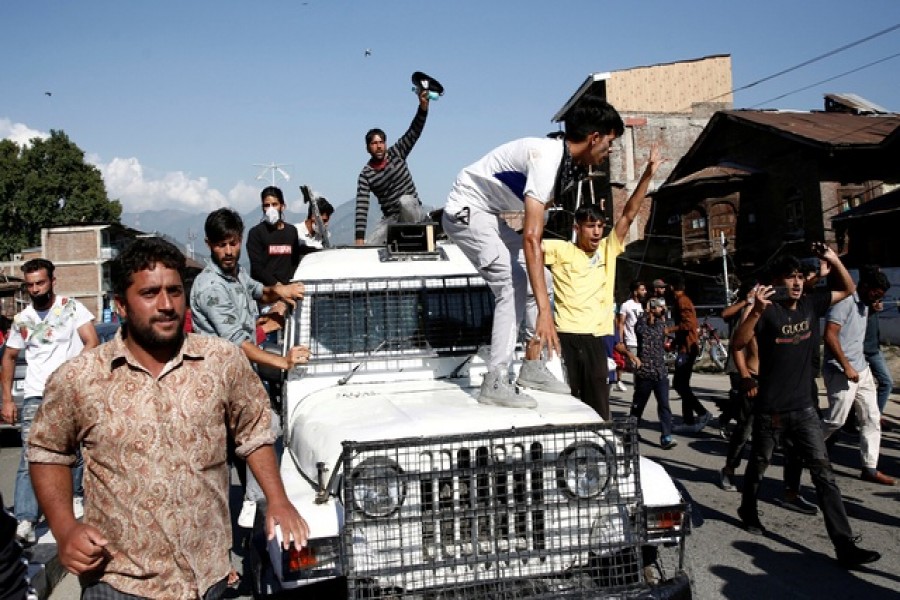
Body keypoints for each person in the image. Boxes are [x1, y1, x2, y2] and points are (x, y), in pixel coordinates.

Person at [25, 237, 309, 598]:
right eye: (149, 293)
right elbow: (48, 452)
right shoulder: (79, 378)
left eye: (174, 291)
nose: (166, 305)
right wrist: (65, 530)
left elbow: (254, 431)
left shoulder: (222, 362)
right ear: (121, 305)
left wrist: (277, 500)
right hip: (118, 579)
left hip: (206, 578)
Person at [442, 95, 625, 408]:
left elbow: (535, 231)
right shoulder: (548, 158)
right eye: (609, 143)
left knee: (541, 281)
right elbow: (531, 238)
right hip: (466, 210)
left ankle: (531, 365)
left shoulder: (567, 167)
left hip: (487, 213)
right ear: (594, 138)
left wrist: (541, 300)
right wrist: (544, 312)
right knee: (512, 282)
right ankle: (496, 379)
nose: (609, 152)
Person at [734, 247, 880, 568]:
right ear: (776, 281)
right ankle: (747, 508)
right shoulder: (766, 310)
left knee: (824, 475)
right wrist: (756, 310)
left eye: (800, 276)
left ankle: (844, 546)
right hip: (771, 410)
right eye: (791, 277)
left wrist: (836, 259)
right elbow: (738, 344)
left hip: (804, 410)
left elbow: (849, 289)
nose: (797, 282)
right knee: (759, 465)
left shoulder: (812, 304)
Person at [191, 208, 311, 529]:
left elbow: (259, 291)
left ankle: (255, 505)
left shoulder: (237, 274)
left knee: (263, 434)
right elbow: (239, 344)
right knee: (264, 430)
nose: (228, 251)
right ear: (209, 245)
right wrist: (284, 362)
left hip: (243, 379)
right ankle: (250, 503)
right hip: (219, 384)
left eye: (233, 243)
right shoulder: (211, 287)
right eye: (221, 245)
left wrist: (282, 291)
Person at [541, 148, 660, 419]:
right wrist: (541, 206)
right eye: (590, 226)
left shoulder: (608, 249)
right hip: (565, 337)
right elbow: (528, 243)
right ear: (577, 228)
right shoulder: (560, 250)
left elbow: (629, 214)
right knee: (568, 404)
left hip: (596, 339)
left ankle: (598, 452)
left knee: (598, 406)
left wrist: (648, 175)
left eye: (600, 226)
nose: (596, 231)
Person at [0, 258, 99, 546]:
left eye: (40, 283)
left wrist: (70, 372)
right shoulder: (22, 320)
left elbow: (91, 340)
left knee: (73, 449)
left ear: (52, 281)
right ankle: (26, 519)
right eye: (30, 285)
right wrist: (7, 399)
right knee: (30, 454)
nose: (35, 289)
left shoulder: (72, 308)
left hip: (69, 393)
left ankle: (75, 496)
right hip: (34, 394)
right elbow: (9, 358)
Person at [821, 266, 894, 485]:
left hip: (861, 370)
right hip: (841, 370)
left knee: (871, 418)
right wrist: (847, 366)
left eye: (881, 295)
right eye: (876, 293)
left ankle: (870, 467)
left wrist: (873, 308)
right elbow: (830, 335)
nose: (878, 298)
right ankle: (805, 449)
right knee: (835, 420)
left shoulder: (865, 304)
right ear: (864, 287)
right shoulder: (843, 302)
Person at [355, 89, 432, 245]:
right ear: (368, 148)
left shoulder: (397, 153)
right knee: (371, 245)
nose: (378, 146)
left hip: (413, 209)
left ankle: (417, 228)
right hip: (392, 218)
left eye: (381, 142)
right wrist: (359, 239)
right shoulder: (366, 174)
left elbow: (414, 131)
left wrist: (423, 106)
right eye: (374, 143)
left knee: (405, 201)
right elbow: (362, 207)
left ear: (386, 144)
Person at [617, 296, 677, 449]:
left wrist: (664, 313)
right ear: (651, 308)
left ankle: (666, 436)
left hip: (660, 371)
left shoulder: (663, 322)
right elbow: (642, 329)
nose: (661, 309)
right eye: (658, 307)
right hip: (645, 371)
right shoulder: (642, 322)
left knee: (664, 404)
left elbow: (670, 328)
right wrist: (648, 312)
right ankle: (630, 433)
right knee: (638, 405)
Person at [669, 275, 712, 431]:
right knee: (683, 385)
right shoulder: (682, 300)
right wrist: (675, 341)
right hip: (684, 346)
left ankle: (702, 412)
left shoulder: (682, 301)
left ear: (672, 288)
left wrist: (669, 330)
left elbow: (688, 324)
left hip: (687, 349)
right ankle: (688, 421)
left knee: (679, 384)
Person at [246, 186, 302, 286]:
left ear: (282, 206)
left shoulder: (291, 231)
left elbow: (295, 261)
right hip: (266, 293)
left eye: (274, 204)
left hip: (289, 290)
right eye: (267, 205)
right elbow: (257, 268)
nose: (270, 209)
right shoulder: (256, 233)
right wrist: (277, 286)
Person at [859, 266, 893, 427]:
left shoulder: (873, 299)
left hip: (873, 349)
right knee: (856, 390)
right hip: (859, 351)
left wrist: (875, 309)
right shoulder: (856, 299)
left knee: (886, 382)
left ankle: (874, 417)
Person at [617, 279, 647, 383]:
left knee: (642, 368)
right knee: (636, 367)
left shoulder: (644, 306)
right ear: (635, 292)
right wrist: (620, 340)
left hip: (643, 341)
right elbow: (621, 323)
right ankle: (637, 391)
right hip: (631, 341)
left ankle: (639, 391)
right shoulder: (626, 305)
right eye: (642, 290)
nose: (645, 292)